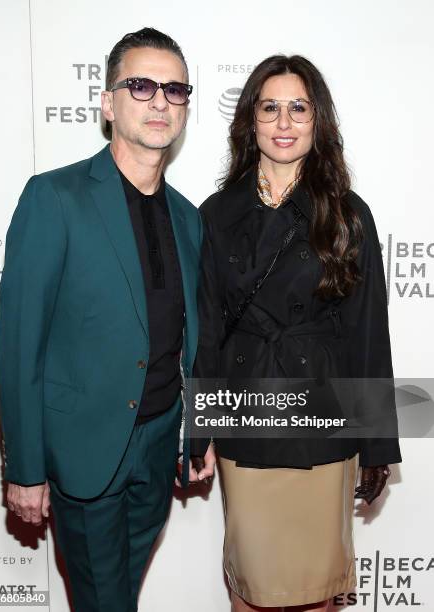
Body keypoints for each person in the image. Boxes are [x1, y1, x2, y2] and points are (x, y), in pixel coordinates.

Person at [0, 27, 200, 612]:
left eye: (175, 89)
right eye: (140, 85)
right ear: (108, 104)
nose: (160, 100)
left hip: (160, 446)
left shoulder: (189, 219)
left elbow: (192, 339)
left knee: (117, 598)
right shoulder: (54, 198)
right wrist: (26, 467)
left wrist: (196, 432)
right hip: (82, 454)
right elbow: (18, 348)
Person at [189, 55, 402, 611]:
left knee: (316, 594)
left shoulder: (347, 214)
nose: (284, 123)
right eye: (270, 108)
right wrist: (198, 429)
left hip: (322, 425)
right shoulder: (216, 213)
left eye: (298, 109)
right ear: (251, 121)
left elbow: (366, 333)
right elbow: (207, 329)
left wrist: (376, 443)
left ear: (317, 120)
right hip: (247, 417)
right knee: (252, 589)